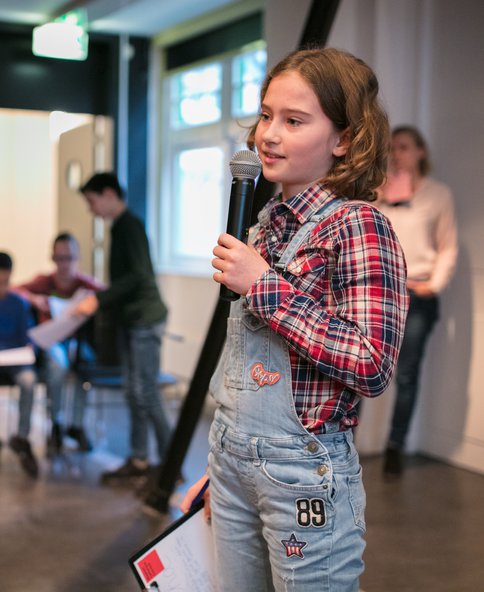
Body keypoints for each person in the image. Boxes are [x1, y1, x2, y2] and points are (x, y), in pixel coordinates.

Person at [181, 47, 408, 591]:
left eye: (294, 120)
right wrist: (223, 467)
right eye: (265, 115)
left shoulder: (360, 226)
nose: (268, 135)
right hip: (233, 461)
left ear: (345, 138)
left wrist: (264, 286)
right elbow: (244, 363)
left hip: (305, 473)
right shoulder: (261, 229)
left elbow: (371, 363)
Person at [75, 173, 171, 484]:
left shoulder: (130, 225)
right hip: (133, 320)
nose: (92, 210)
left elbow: (139, 277)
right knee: (133, 392)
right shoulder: (121, 226)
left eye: (92, 202)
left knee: (146, 393)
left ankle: (171, 465)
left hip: (145, 319)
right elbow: (127, 278)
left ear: (108, 194)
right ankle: (140, 459)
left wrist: (99, 299)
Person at [377, 126, 458, 476]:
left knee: (406, 374)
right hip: (381, 293)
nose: (397, 153)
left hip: (417, 293)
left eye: (405, 147)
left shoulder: (438, 195)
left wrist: (435, 284)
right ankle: (342, 440)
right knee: (356, 367)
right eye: (393, 147)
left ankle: (395, 446)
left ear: (421, 151)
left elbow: (448, 245)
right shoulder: (379, 191)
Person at [14, 233, 104, 454]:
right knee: (57, 365)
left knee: (85, 364)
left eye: (69, 258)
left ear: (77, 257)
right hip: (53, 342)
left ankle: (77, 424)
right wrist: (33, 299)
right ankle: (56, 423)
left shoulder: (85, 284)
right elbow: (15, 290)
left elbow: (107, 294)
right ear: (52, 258)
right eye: (59, 258)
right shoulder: (44, 282)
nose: (64, 264)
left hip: (77, 341)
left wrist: (93, 302)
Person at [0, 252, 39, 478]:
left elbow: (29, 337)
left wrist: (30, 347)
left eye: (4, 282)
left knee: (29, 380)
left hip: (16, 360)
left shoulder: (19, 304)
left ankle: (22, 438)